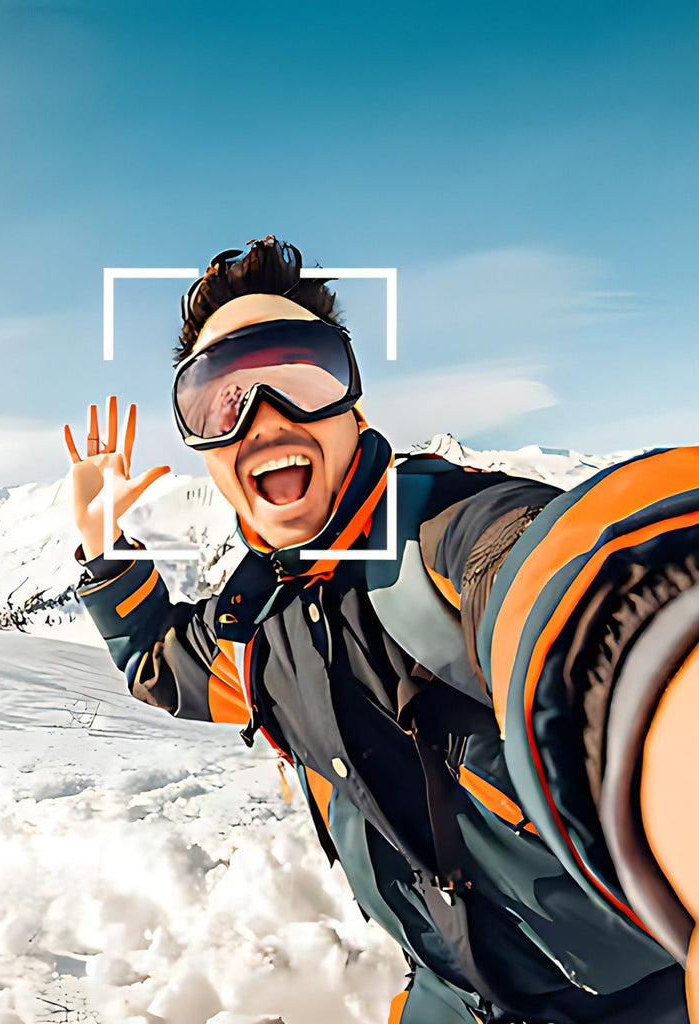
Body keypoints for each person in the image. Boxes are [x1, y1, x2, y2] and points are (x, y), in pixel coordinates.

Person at [63, 236, 698, 1023]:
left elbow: (558, 580)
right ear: (206, 448)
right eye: (220, 397)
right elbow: (161, 665)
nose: (262, 418)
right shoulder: (259, 625)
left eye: (300, 375)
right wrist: (104, 554)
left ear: (352, 408)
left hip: (641, 997)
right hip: (450, 997)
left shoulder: (442, 534)